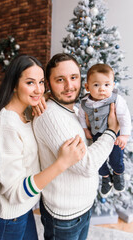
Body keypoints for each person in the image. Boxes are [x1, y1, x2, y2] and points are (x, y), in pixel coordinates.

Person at [0, 54, 86, 240]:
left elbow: (40, 94)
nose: (38, 89)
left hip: (22, 211)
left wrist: (42, 95)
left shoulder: (25, 112)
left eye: (41, 82)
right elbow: (14, 192)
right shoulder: (6, 127)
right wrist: (62, 163)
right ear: (13, 84)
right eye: (30, 83)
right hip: (5, 218)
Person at [33, 53, 119, 240]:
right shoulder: (50, 116)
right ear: (48, 83)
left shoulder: (77, 110)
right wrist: (111, 132)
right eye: (60, 80)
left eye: (73, 77)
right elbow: (87, 165)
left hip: (83, 208)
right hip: (65, 217)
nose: (69, 86)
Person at [78, 63, 132, 198]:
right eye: (96, 85)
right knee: (99, 161)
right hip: (96, 136)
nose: (102, 89)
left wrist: (124, 136)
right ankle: (106, 178)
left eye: (107, 85)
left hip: (115, 137)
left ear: (113, 85)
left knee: (116, 159)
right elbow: (81, 117)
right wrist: (85, 129)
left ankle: (118, 174)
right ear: (87, 87)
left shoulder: (116, 100)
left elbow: (124, 117)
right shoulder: (85, 103)